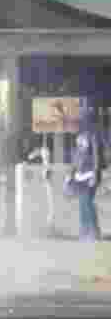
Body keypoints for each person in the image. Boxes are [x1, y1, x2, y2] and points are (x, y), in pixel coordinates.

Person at [68, 103, 104, 242]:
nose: (82, 119)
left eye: (83, 116)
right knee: (84, 202)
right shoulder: (79, 134)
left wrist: (95, 173)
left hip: (90, 173)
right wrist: (71, 173)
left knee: (86, 200)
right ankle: (87, 231)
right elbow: (76, 155)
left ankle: (91, 231)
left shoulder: (93, 134)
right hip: (80, 174)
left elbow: (96, 155)